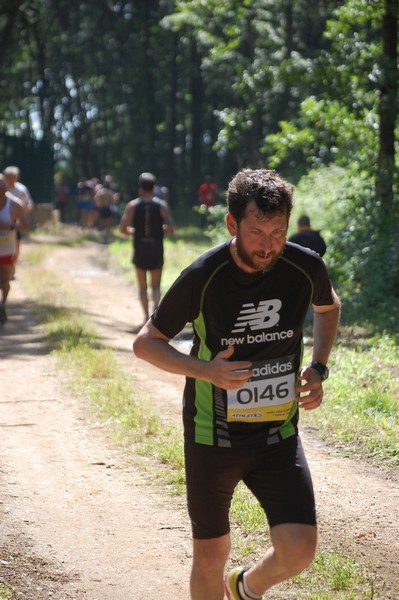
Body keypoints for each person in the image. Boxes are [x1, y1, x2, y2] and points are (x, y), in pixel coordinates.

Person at [133, 168, 340, 600]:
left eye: (278, 232)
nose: (269, 245)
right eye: (257, 232)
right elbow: (146, 344)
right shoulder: (204, 275)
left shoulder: (304, 267)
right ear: (233, 224)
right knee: (210, 555)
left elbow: (328, 306)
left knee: (299, 549)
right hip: (214, 436)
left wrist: (319, 367)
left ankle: (245, 587)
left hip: (277, 434)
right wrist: (207, 371)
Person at [119, 172, 174, 325]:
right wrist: (159, 229)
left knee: (142, 286)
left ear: (140, 188)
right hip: (156, 247)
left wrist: (134, 231)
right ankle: (154, 314)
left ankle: (145, 316)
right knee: (156, 285)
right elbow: (170, 229)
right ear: (154, 188)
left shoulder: (133, 206)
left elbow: (123, 228)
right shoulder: (161, 206)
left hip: (140, 247)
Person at [0, 175, 29, 324]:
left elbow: (25, 225)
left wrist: (11, 227)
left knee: (4, 281)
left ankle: (3, 304)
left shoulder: (14, 204)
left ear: (5, 189)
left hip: (7, 250)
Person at [4, 166, 34, 274]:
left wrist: (20, 210)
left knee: (15, 246)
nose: (9, 179)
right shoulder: (2, 187)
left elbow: (29, 205)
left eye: (12, 177)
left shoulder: (21, 190)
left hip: (15, 223)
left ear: (16, 177)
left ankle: (11, 267)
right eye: (7, 177)